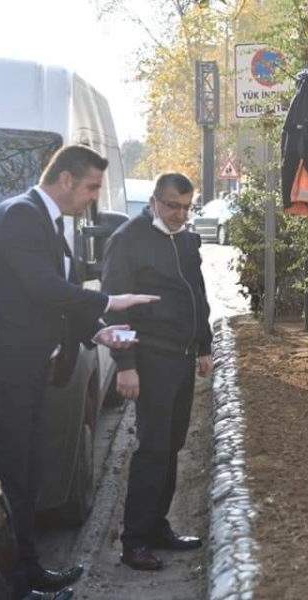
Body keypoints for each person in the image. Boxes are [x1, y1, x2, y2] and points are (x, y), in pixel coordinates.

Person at [0, 144, 160, 600]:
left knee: (27, 477)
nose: (94, 197)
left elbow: (60, 295)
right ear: (65, 179)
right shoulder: (20, 216)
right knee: (8, 481)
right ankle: (11, 587)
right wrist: (111, 301)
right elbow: (43, 289)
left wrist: (100, 331)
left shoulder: (45, 219)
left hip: (23, 370)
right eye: (91, 187)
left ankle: (28, 572)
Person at [101, 172, 213, 571]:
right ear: (153, 202)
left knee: (172, 445)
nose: (180, 214)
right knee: (152, 449)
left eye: (186, 207)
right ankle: (134, 542)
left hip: (183, 358)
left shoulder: (185, 239)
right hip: (150, 360)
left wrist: (204, 346)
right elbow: (115, 308)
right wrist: (126, 365)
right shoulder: (127, 240)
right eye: (171, 206)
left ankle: (157, 527)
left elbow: (197, 294)